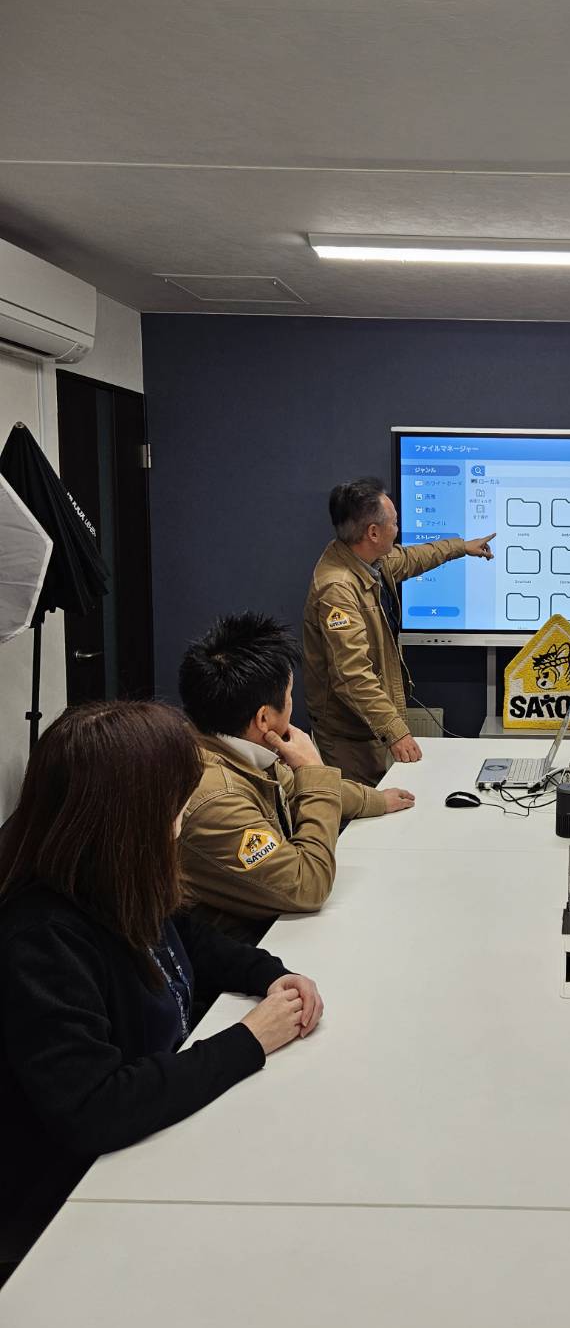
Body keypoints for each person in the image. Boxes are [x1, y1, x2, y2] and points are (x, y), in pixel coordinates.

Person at [0, 700, 323, 1282]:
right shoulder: (40, 937)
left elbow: (188, 938)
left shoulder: (110, 877)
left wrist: (267, 974)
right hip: (72, 1210)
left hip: (153, 1145)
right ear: (129, 815)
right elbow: (96, 1108)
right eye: (175, 803)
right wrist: (250, 1038)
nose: (182, 817)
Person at [178, 612, 414, 940]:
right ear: (263, 718)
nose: (292, 705)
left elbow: (290, 786)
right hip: (246, 948)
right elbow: (307, 886)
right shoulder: (217, 800)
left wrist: (377, 800)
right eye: (289, 697)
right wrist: (312, 770)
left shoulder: (235, 746)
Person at [303, 476, 495, 786]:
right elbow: (352, 676)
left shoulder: (365, 559)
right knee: (364, 809)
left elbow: (412, 557)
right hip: (350, 736)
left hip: (368, 727)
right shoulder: (337, 589)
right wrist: (395, 730)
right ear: (373, 532)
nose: (398, 528)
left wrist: (461, 547)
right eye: (393, 522)